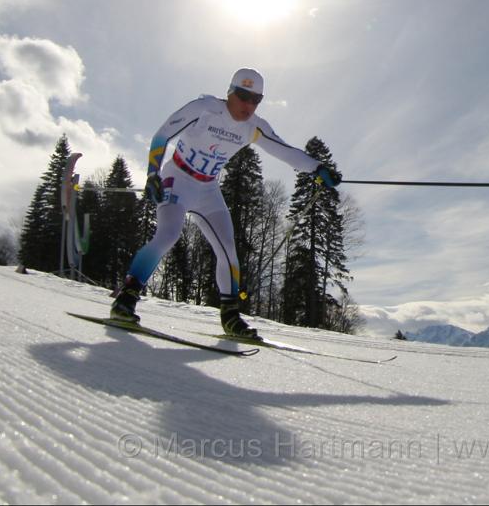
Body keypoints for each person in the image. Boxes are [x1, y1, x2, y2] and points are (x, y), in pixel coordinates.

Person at [109, 68, 340, 338]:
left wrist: (318, 168)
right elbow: (162, 135)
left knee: (228, 249)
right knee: (169, 234)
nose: (249, 105)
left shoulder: (254, 128)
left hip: (207, 188)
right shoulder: (204, 109)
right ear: (230, 92)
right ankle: (126, 297)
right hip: (178, 178)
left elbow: (285, 150)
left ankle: (230, 316)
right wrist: (152, 173)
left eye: (256, 99)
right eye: (243, 96)